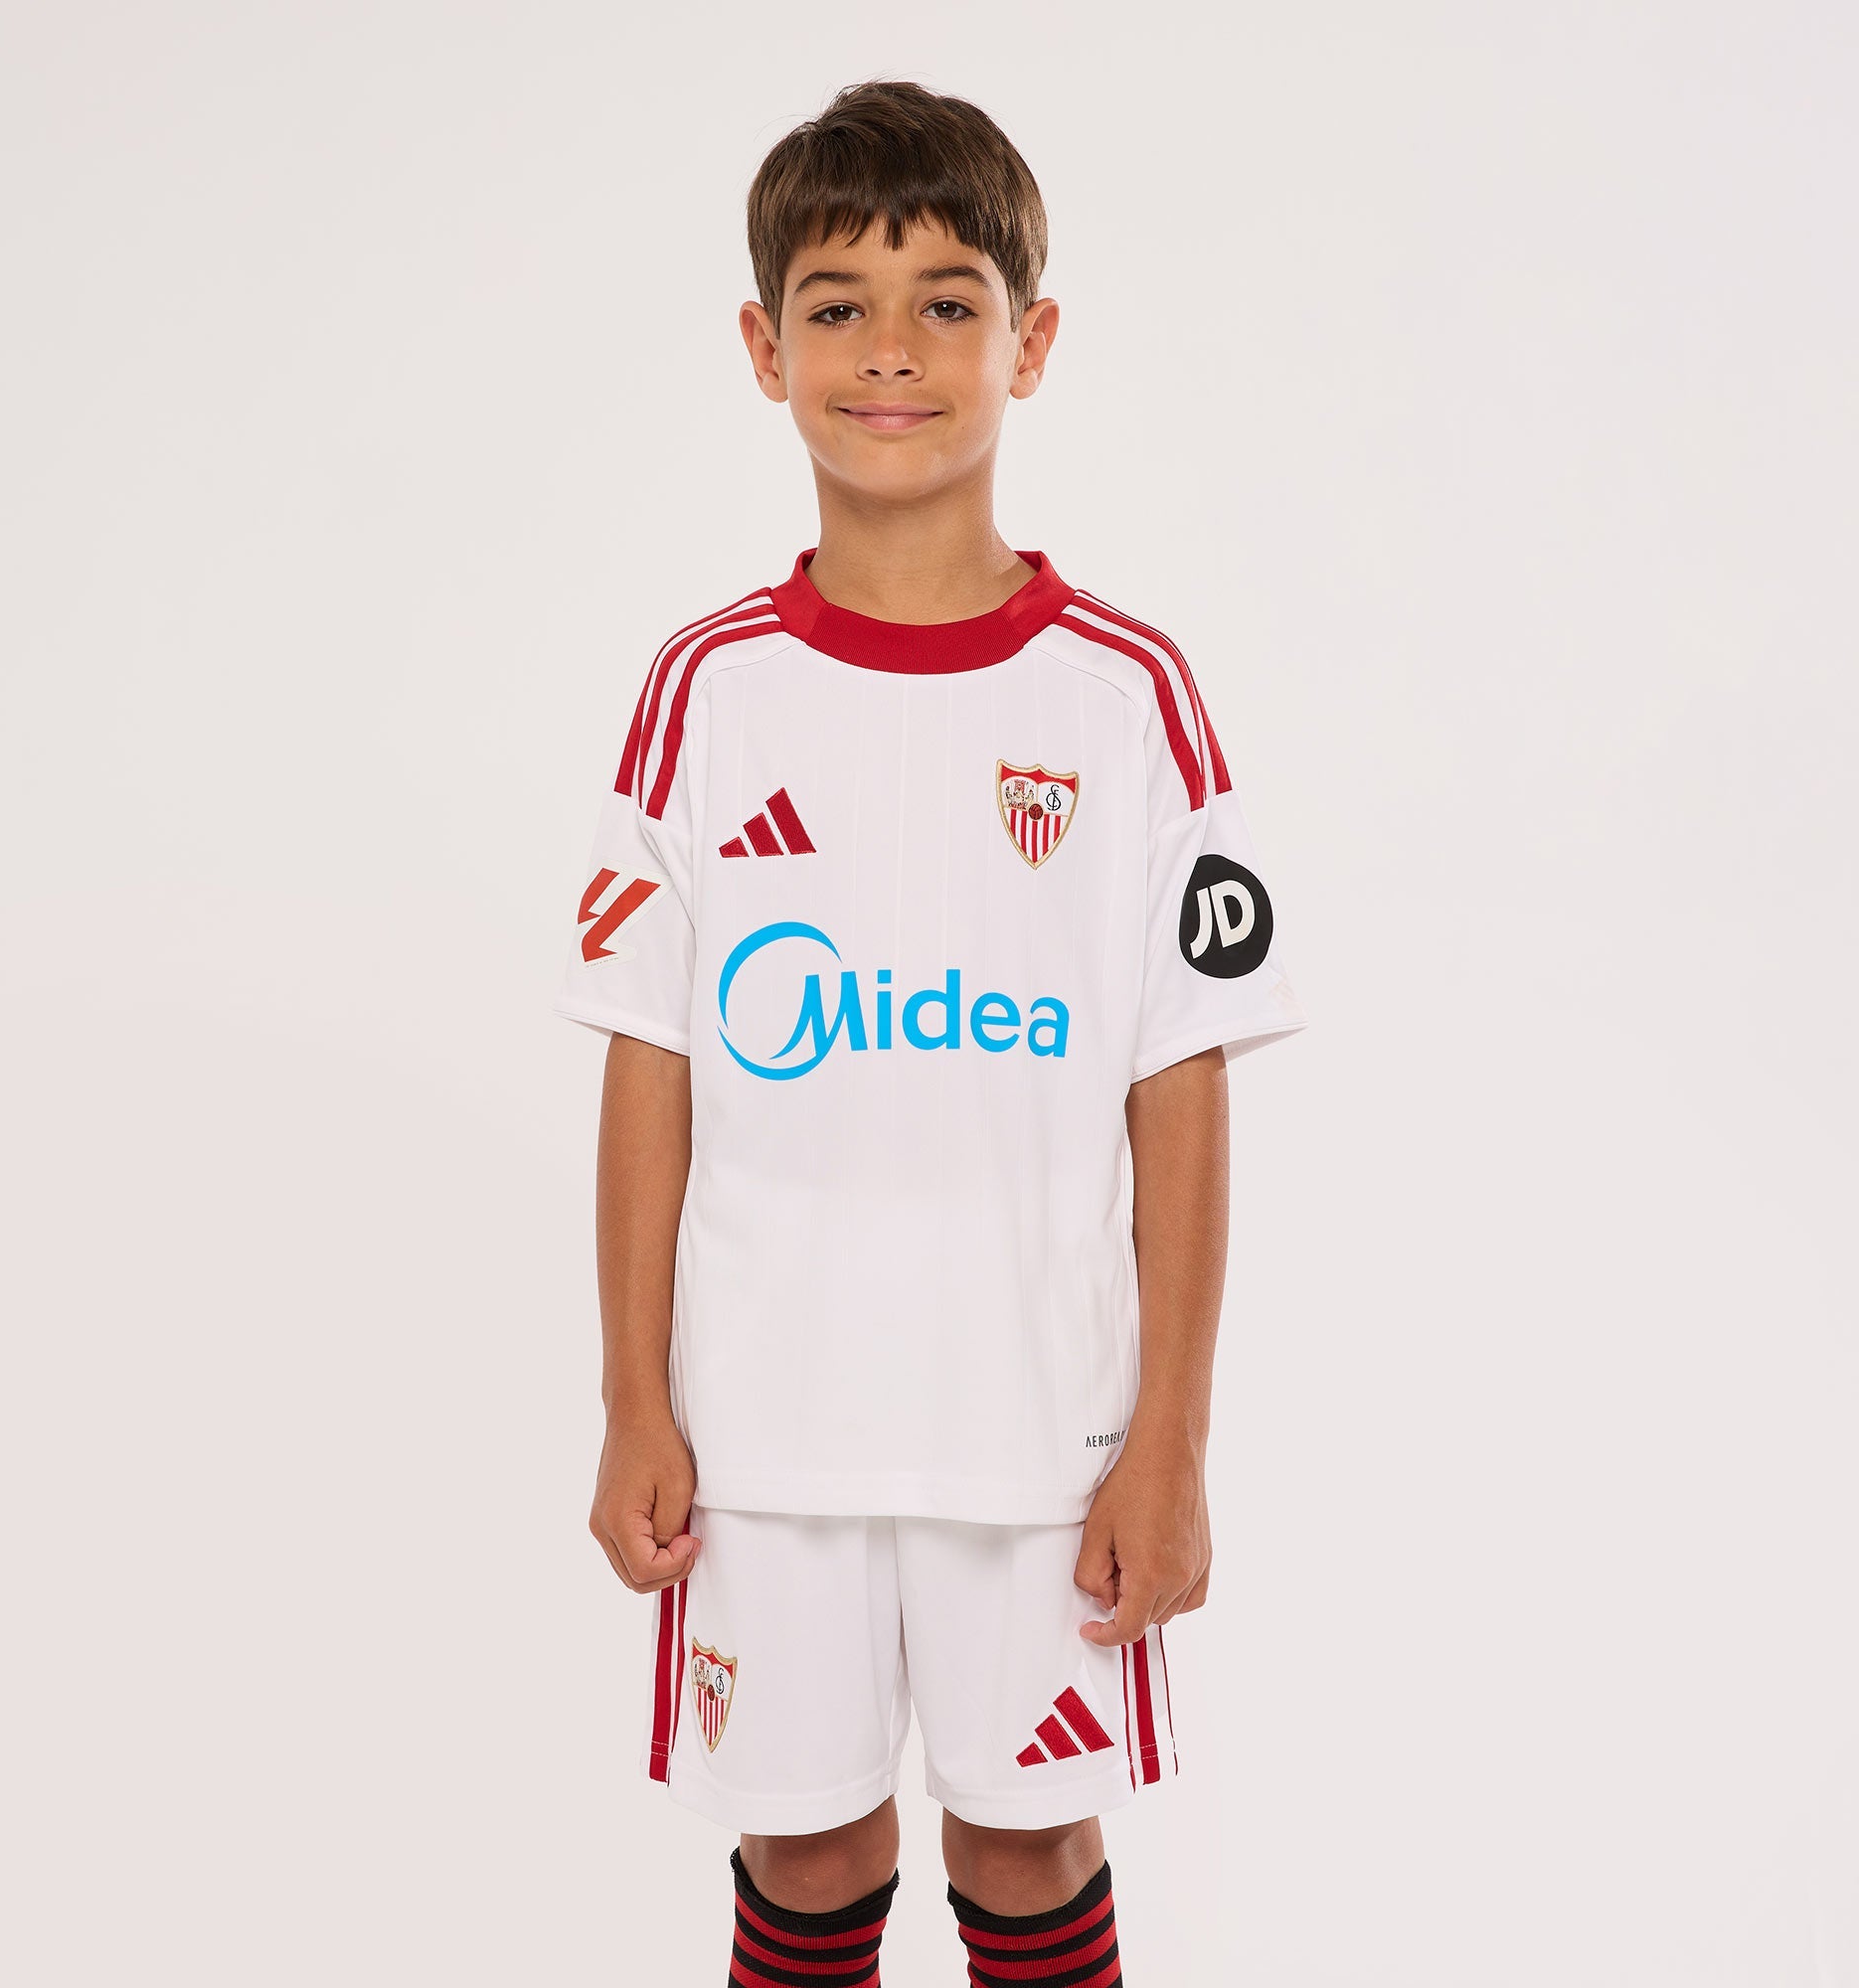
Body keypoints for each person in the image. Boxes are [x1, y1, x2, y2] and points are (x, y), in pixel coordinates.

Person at [554, 78, 1306, 1987]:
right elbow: (650, 1061)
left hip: (1041, 1434)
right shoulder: (704, 693)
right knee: (805, 1858)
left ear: (1028, 343)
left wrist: (1172, 1439)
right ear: (765, 349)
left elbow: (1180, 1082)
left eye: (946, 303)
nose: (890, 351)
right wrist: (636, 1398)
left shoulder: (1130, 700)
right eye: (839, 306)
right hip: (765, 1432)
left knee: (1032, 1849)